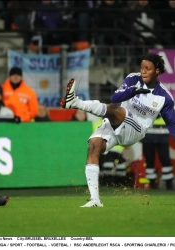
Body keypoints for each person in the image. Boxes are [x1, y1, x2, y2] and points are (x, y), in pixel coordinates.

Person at [60, 52, 175, 207]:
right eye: (142, 67)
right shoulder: (133, 79)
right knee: (94, 145)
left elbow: (172, 124)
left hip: (136, 129)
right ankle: (95, 200)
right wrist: (133, 90)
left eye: (148, 68)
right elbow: (115, 98)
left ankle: (75, 102)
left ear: (157, 71)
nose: (143, 71)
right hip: (116, 121)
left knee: (115, 110)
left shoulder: (164, 97)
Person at [141, 115, 174, 190]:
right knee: (149, 161)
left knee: (165, 160)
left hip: (162, 134)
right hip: (148, 135)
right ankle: (152, 184)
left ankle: (169, 184)